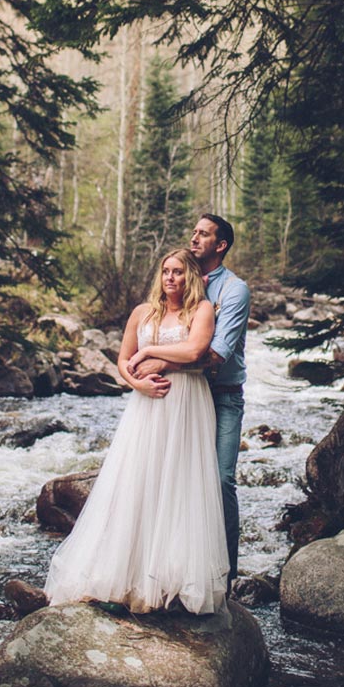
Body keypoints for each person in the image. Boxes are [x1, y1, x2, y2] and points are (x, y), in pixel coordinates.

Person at [44, 248, 229, 616]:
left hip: (186, 401)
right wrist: (137, 383)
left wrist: (152, 355)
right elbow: (123, 361)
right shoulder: (142, 313)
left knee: (180, 484)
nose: (170, 278)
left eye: (178, 272)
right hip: (147, 405)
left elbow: (194, 350)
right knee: (137, 480)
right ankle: (126, 577)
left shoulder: (202, 310)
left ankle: (174, 580)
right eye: (165, 272)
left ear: (190, 276)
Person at [133, 215, 249, 587]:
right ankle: (170, 569)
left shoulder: (233, 291)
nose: (194, 238)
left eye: (203, 234)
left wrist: (157, 359)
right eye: (194, 233)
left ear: (221, 245)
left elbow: (215, 354)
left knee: (219, 481)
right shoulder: (179, 279)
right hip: (177, 396)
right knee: (173, 479)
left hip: (221, 394)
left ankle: (222, 576)